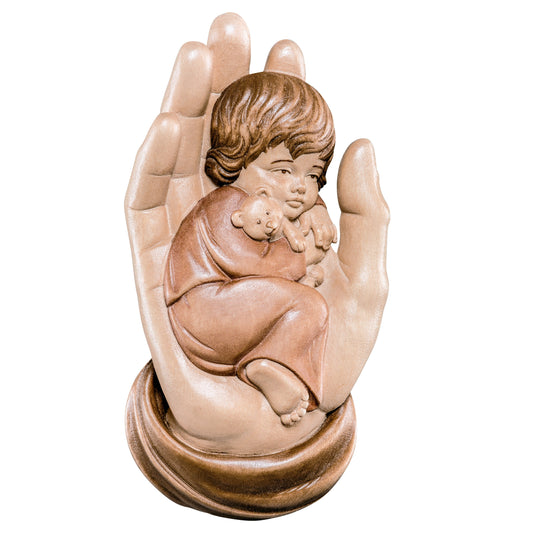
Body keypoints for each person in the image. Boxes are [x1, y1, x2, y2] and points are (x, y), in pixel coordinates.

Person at [164, 72, 337, 426]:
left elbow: (294, 207)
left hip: (233, 314)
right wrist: (302, 258)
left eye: (312, 175)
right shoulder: (227, 205)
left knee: (314, 307)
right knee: (306, 303)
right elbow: (249, 263)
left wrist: (318, 208)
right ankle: (263, 365)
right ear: (239, 159)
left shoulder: (275, 204)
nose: (300, 188)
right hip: (204, 309)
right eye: (284, 171)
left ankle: (272, 366)